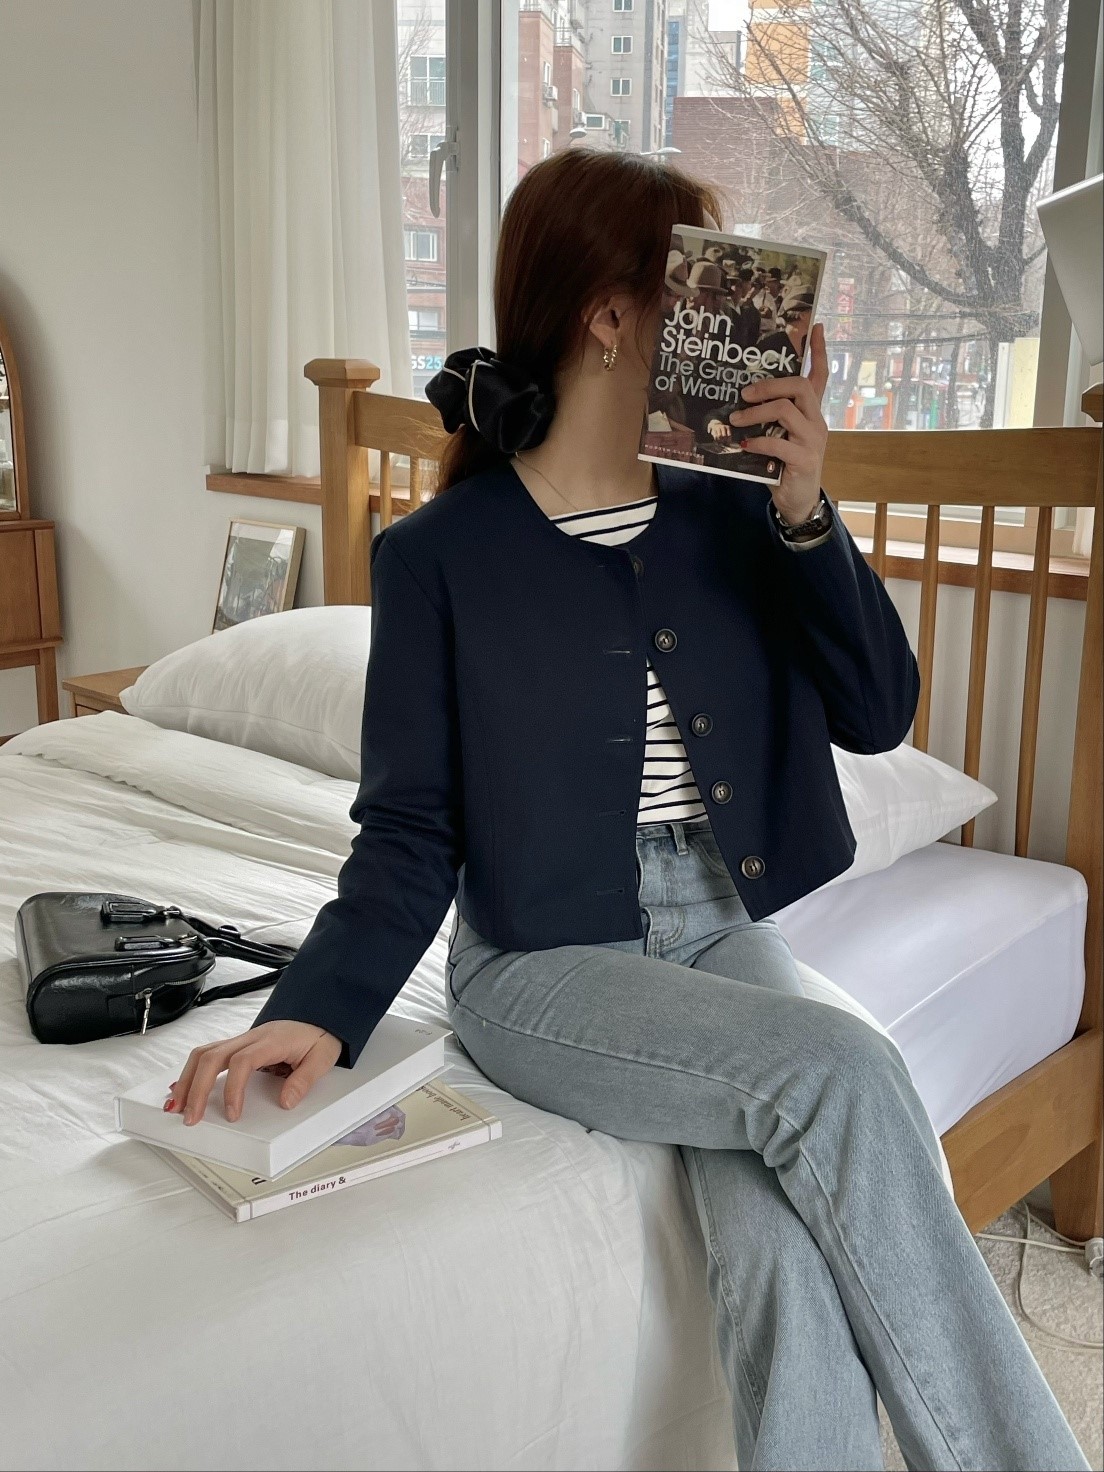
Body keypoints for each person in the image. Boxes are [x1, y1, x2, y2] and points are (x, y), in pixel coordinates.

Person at [166, 149, 1089, 1472]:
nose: (740, 318)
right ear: (613, 314)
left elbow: (879, 713)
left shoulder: (736, 519)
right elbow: (412, 825)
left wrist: (806, 511)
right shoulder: (440, 557)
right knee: (846, 1069)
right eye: (703, 285)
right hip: (542, 961)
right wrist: (320, 1002)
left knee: (783, 1247)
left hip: (719, 927)